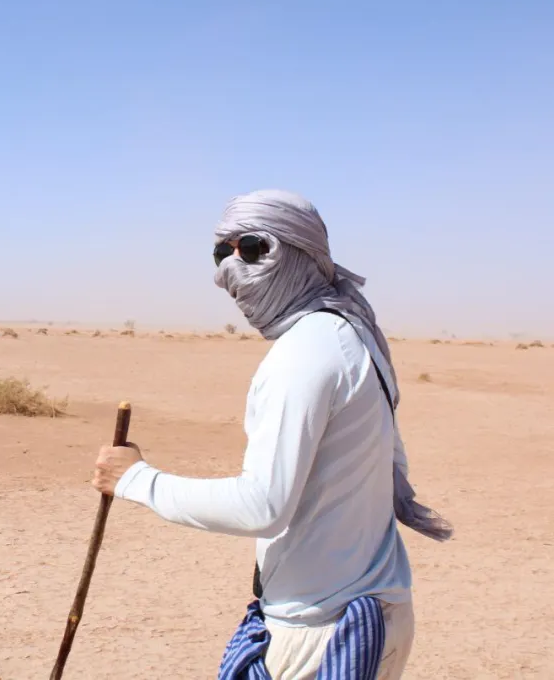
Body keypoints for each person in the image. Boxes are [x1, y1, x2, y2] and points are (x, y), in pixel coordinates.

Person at [92, 189, 452, 679]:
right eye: (222, 253)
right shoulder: (350, 335)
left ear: (303, 253)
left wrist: (135, 479)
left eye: (254, 249)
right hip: (372, 613)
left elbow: (263, 505)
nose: (232, 268)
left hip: (326, 635)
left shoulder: (306, 352)